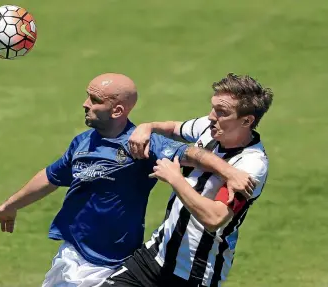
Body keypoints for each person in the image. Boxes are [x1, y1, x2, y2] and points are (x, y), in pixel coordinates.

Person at [0, 73, 256, 287]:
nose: (85, 104)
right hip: (71, 255)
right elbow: (51, 176)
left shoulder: (142, 146)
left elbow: (192, 155)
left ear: (116, 110)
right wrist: (11, 205)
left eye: (94, 99)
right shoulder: (82, 143)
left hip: (110, 263)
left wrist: (231, 173)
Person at [101, 73, 274, 287]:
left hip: (194, 273)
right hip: (155, 255)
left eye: (222, 112)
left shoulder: (251, 165)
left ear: (247, 120)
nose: (211, 116)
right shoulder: (209, 129)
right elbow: (174, 128)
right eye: (213, 108)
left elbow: (214, 218)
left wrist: (175, 179)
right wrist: (147, 126)